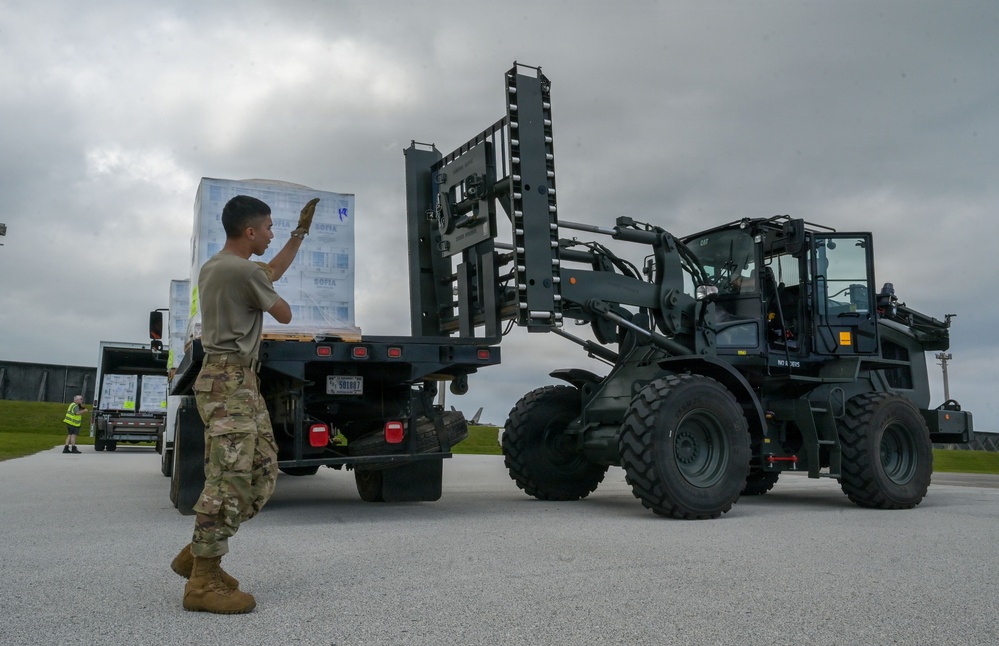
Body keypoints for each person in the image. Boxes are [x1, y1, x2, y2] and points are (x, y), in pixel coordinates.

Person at [170, 194, 319, 614]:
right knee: (230, 477)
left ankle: (199, 551)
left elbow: (268, 272)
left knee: (262, 468)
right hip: (230, 381)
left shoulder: (220, 266)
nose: (272, 235)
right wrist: (272, 288)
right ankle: (203, 580)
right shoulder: (242, 272)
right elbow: (284, 312)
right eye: (270, 228)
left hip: (235, 380)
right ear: (250, 231)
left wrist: (299, 235)